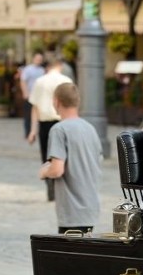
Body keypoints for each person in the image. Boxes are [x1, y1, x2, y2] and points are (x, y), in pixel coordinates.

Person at [39, 83, 102, 234]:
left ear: (56, 102)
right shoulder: (90, 128)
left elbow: (57, 169)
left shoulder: (59, 130)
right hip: (90, 207)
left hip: (72, 209)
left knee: (69, 255)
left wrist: (44, 172)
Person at [28, 55, 72, 201]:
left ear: (47, 67)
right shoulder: (66, 81)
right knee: (63, 156)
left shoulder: (40, 81)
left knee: (47, 156)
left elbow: (35, 107)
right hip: (63, 122)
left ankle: (50, 186)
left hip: (45, 123)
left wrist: (33, 130)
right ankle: (62, 187)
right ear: (60, 65)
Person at [19, 52, 45, 138]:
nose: (39, 61)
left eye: (40, 59)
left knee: (40, 115)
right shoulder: (28, 69)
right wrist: (25, 93)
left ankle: (38, 132)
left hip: (40, 96)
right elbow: (23, 81)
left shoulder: (42, 70)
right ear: (33, 59)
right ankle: (27, 133)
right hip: (30, 95)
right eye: (37, 59)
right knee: (28, 115)